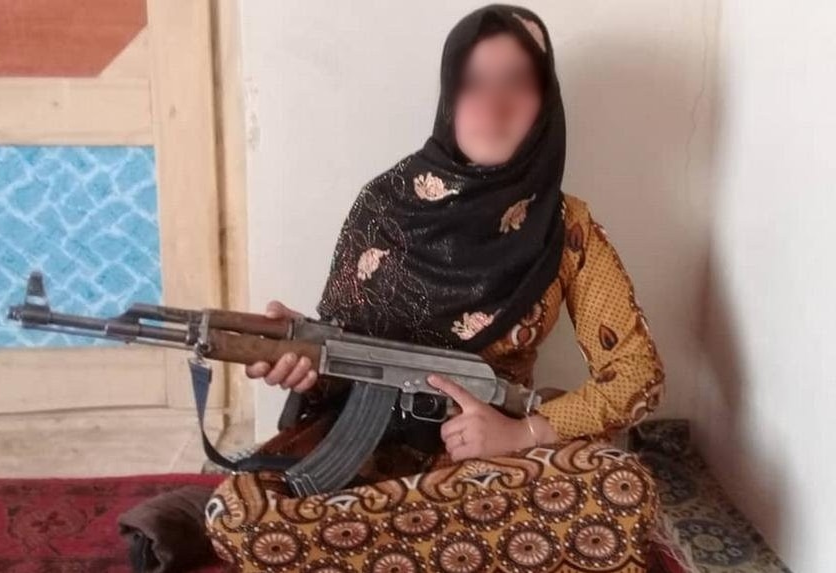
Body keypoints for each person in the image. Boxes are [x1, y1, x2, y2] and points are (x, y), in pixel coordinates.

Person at [205, 5, 665, 572]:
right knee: (239, 515)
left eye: (517, 83)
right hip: (366, 459)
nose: (493, 106)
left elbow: (638, 374)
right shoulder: (385, 206)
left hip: (490, 464)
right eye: (473, 83)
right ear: (450, 97)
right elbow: (340, 363)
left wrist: (524, 432)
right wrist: (304, 365)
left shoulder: (567, 229)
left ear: (546, 102)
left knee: (621, 487)